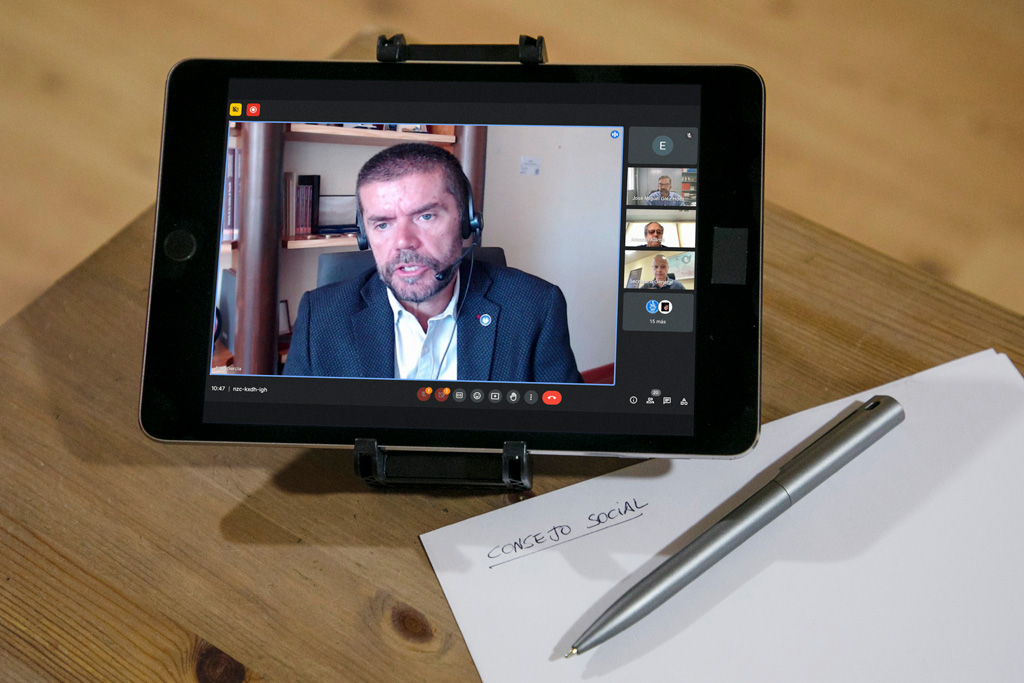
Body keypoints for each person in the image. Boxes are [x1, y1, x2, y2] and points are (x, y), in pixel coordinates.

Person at [285, 143, 583, 383]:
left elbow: (563, 426)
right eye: (383, 224)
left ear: (466, 222)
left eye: (425, 216)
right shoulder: (319, 316)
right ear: (364, 235)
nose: (403, 242)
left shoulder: (535, 306)